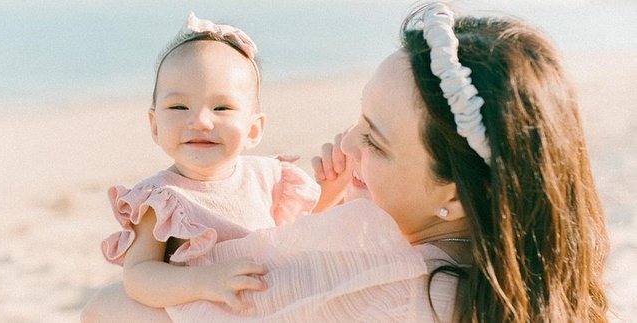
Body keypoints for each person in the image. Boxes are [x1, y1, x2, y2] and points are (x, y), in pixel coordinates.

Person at [82, 2, 609, 322]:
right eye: (359, 121)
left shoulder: (405, 291)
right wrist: (342, 196)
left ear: (454, 193)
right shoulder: (509, 276)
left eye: (375, 142)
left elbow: (107, 310)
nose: (347, 143)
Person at [97, 10, 322, 317]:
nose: (201, 121)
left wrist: (332, 188)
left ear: (253, 129)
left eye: (221, 107)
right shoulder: (162, 198)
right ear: (154, 125)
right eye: (178, 106)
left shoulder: (268, 177)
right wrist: (203, 281)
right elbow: (138, 277)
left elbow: (296, 235)